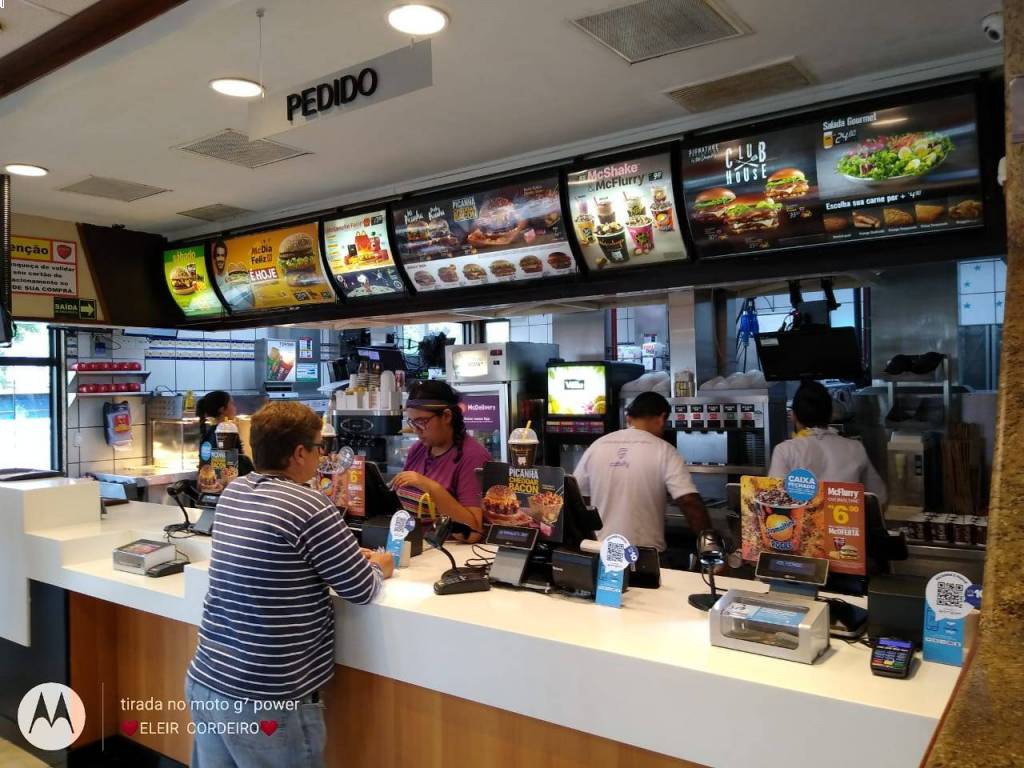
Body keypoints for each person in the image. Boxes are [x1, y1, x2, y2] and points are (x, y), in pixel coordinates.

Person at [186, 401, 394, 768]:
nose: (321, 456)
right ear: (299, 453)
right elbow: (361, 589)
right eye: (318, 447)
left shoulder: (234, 491)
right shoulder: (310, 505)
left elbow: (280, 557)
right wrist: (379, 565)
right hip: (267, 697)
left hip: (208, 679)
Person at [573, 392, 711, 563]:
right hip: (643, 554)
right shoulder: (664, 450)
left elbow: (577, 497)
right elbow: (689, 502)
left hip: (602, 550)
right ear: (661, 418)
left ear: (629, 418)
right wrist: (710, 547)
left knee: (609, 581)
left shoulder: (597, 446)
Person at [390, 380, 491, 542]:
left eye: (422, 422)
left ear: (446, 416)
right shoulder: (418, 449)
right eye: (412, 422)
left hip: (448, 550)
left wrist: (431, 487)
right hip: (415, 544)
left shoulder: (473, 457)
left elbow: (473, 531)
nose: (416, 430)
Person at [769, 381, 887, 504]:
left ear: (793, 416)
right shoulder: (855, 448)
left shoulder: (785, 451)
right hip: (844, 516)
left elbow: (774, 501)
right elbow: (879, 497)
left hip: (802, 516)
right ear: (831, 414)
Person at [196, 390, 255, 479]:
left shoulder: (209, 433)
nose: (235, 407)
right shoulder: (226, 433)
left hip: (211, 483)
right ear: (222, 409)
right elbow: (225, 469)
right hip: (227, 484)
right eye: (232, 404)